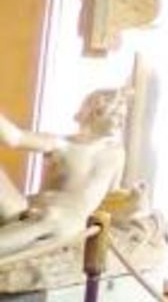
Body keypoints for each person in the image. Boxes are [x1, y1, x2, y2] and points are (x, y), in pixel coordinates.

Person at [0, 89, 129, 259]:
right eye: (116, 114)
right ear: (95, 112)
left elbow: (113, 198)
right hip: (24, 210)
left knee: (52, 216)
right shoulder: (62, 143)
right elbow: (15, 137)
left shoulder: (116, 154)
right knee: (42, 215)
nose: (121, 122)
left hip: (65, 221)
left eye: (123, 117)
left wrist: (135, 203)